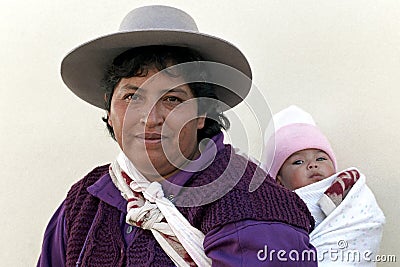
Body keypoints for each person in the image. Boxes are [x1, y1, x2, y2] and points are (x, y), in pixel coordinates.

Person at [37, 5, 318, 266]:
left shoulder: (253, 206)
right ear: (110, 110)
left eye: (172, 99)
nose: (151, 118)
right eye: (132, 96)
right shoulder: (85, 201)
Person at [262, 105, 385, 265]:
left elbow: (370, 220)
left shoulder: (349, 189)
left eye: (320, 158)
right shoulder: (272, 208)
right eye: (298, 162)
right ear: (279, 181)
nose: (312, 164)